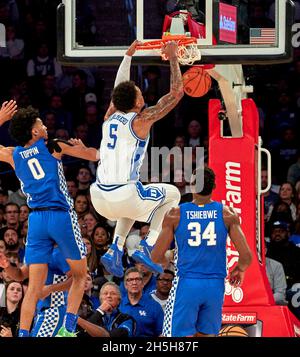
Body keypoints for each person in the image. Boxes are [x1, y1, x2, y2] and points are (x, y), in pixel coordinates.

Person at [0, 104, 99, 337]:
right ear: (34, 132)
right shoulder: (52, 145)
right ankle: (68, 328)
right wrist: (86, 149)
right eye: (40, 124)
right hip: (60, 215)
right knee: (80, 275)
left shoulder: (13, 154)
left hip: (35, 220)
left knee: (33, 287)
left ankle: (23, 334)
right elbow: (94, 155)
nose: (44, 126)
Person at [90, 40, 183, 278]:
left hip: (100, 197)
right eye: (140, 93)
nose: (143, 94)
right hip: (122, 194)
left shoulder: (109, 117)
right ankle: (148, 245)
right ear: (137, 102)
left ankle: (114, 248)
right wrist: (173, 57)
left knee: (132, 202)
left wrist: (127, 56)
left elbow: (119, 88)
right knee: (173, 195)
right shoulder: (140, 120)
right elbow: (176, 93)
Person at [151, 167, 252, 337]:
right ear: (214, 187)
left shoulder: (175, 214)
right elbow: (246, 257)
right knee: (206, 335)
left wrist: (169, 257)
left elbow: (156, 256)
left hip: (187, 283)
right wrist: (239, 270)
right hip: (215, 284)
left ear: (192, 186)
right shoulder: (227, 214)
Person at [0, 248, 72, 337]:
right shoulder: (37, 253)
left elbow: (77, 279)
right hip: (39, 311)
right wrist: (7, 266)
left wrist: (50, 289)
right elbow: (20, 275)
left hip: (54, 309)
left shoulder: (59, 253)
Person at [119, 267, 164, 337]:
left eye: (137, 279)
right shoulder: (118, 305)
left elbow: (161, 334)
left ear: (143, 284)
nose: (134, 283)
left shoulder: (155, 306)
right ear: (125, 285)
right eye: (130, 280)